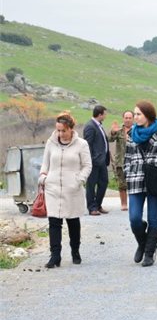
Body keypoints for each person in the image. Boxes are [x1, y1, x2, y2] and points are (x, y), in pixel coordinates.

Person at [38, 112, 92, 268]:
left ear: (71, 129)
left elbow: (87, 165)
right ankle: (55, 256)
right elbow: (45, 163)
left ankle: (75, 251)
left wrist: (79, 180)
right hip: (52, 187)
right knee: (54, 221)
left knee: (73, 221)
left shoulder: (81, 144)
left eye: (63, 130)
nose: (60, 134)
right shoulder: (51, 142)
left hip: (72, 188)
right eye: (58, 130)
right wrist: (43, 177)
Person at [124, 101, 157, 267]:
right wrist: (128, 172)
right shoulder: (132, 133)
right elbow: (127, 157)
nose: (135, 117)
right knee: (134, 218)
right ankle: (142, 243)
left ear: (148, 115)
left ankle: (149, 253)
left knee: (154, 219)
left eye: (138, 114)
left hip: (155, 180)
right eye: (134, 114)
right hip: (136, 178)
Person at [84, 105, 110, 215]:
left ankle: (98, 204)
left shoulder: (99, 126)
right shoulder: (90, 126)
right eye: (104, 114)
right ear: (99, 115)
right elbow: (87, 145)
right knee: (91, 184)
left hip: (102, 161)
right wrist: (91, 159)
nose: (105, 116)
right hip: (94, 161)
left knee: (103, 183)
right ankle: (92, 207)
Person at [109, 110, 133, 211]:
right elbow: (110, 139)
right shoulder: (119, 130)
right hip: (121, 161)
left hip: (134, 161)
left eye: (129, 118)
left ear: (133, 119)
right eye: (126, 118)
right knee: (122, 184)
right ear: (123, 119)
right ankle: (124, 204)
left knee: (134, 184)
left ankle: (134, 204)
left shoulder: (137, 129)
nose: (128, 120)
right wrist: (113, 132)